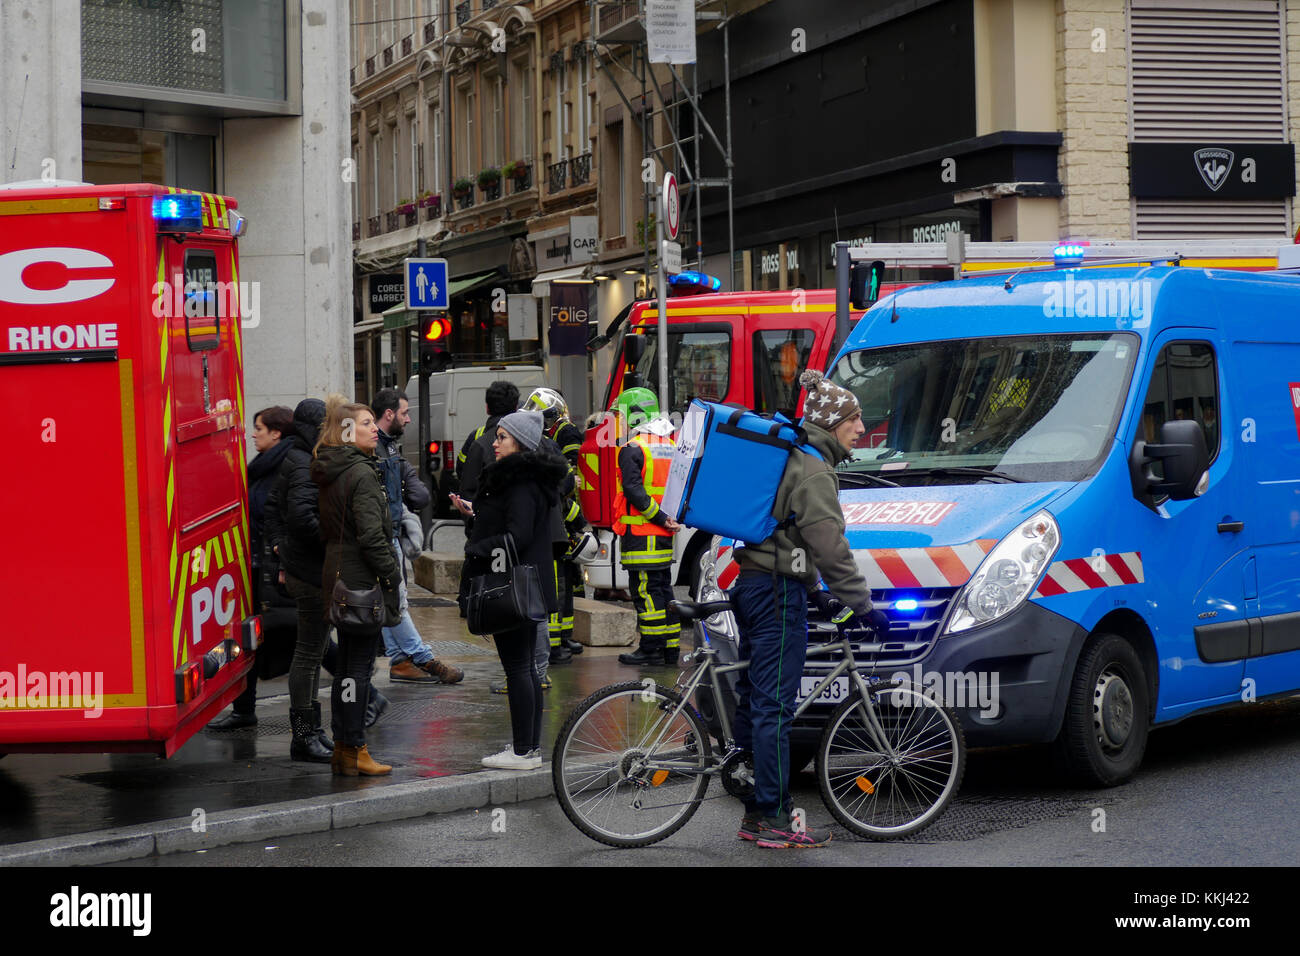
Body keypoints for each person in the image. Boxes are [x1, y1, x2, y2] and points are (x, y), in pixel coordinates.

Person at [730, 369, 886, 849]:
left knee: (758, 700)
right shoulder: (816, 470)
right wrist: (862, 604)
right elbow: (828, 543)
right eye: (855, 419)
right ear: (834, 424)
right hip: (775, 593)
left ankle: (755, 811)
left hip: (758, 583)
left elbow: (788, 535)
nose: (862, 428)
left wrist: (816, 591)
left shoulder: (798, 459)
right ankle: (775, 817)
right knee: (774, 707)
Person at [267, 399, 390, 763]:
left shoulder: (305, 457)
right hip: (312, 572)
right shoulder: (306, 462)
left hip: (311, 567)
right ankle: (306, 735)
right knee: (309, 653)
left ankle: (320, 731)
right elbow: (302, 518)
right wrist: (340, 538)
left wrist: (280, 546)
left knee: (317, 652)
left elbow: (275, 507)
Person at [451, 410, 565, 770]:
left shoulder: (519, 481)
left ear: (520, 443)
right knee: (525, 668)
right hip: (524, 585)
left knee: (518, 668)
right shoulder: (529, 479)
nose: (495, 443)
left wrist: (478, 549)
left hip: (513, 587)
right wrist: (478, 514)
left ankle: (522, 752)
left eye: (502, 437)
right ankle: (527, 747)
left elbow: (517, 536)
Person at [311, 395, 401, 776]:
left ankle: (344, 748)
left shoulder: (334, 468)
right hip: (361, 582)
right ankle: (355, 747)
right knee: (359, 669)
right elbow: (371, 536)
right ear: (347, 431)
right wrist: (392, 573)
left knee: (347, 668)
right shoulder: (361, 473)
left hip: (338, 575)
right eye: (365, 423)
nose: (374, 429)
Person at [208, 406, 295, 730]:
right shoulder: (264, 465)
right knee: (252, 637)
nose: (253, 433)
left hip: (277, 569)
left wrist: (283, 562)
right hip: (260, 566)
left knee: (297, 632)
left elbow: (283, 519)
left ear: (277, 433)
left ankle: (367, 696)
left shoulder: (285, 466)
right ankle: (245, 709)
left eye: (259, 428)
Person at [372, 387, 464, 685]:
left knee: (392, 602)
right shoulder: (375, 448)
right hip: (383, 539)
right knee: (395, 602)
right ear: (389, 414)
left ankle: (400, 661)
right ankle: (422, 657)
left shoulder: (388, 447)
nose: (409, 419)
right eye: (404, 413)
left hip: (390, 535)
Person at [611, 388, 683, 667]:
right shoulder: (670, 444)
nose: (620, 421)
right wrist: (668, 518)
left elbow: (633, 491)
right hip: (664, 535)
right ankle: (670, 648)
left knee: (645, 593)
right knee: (663, 590)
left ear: (633, 413)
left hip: (642, 534)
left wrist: (657, 517)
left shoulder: (633, 448)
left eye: (621, 414)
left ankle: (650, 649)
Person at [523, 387, 588, 664]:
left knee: (560, 585)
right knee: (559, 585)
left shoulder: (559, 436)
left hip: (551, 526)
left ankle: (558, 643)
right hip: (556, 525)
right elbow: (565, 483)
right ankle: (559, 642)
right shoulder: (546, 443)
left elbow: (569, 477)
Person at [456, 380, 521, 615]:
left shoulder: (478, 438)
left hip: (480, 522)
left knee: (476, 563)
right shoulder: (522, 439)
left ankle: (470, 603)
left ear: (486, 407)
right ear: (516, 407)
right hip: (508, 526)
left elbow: (462, 470)